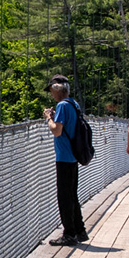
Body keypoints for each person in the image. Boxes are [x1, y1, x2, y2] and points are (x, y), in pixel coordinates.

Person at [43, 76, 87, 245]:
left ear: (58, 90)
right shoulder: (73, 103)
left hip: (64, 156)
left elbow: (57, 131)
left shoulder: (62, 105)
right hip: (73, 156)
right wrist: (56, 116)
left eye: (52, 91)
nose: (51, 95)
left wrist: (48, 118)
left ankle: (69, 234)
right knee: (72, 195)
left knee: (64, 197)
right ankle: (80, 230)